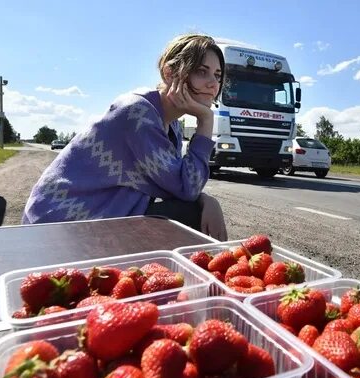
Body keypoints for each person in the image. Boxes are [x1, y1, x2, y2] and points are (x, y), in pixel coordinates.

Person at [22, 34, 228, 240]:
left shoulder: (171, 123)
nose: (213, 84)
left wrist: (206, 199)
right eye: (202, 72)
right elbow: (187, 188)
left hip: (100, 216)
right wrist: (206, 119)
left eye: (218, 75)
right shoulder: (137, 113)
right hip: (59, 223)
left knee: (188, 212)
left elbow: (175, 185)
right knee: (190, 216)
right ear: (169, 73)